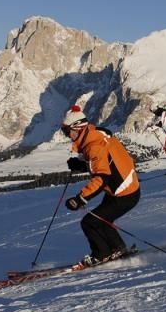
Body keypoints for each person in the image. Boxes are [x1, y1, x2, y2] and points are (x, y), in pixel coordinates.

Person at [60, 105, 141, 269]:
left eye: (67, 131)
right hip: (123, 189)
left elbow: (102, 177)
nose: (67, 135)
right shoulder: (95, 135)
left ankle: (101, 254)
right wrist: (82, 165)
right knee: (102, 220)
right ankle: (118, 249)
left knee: (89, 222)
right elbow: (103, 164)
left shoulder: (94, 145)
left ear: (78, 127)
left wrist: (80, 199)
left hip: (124, 194)